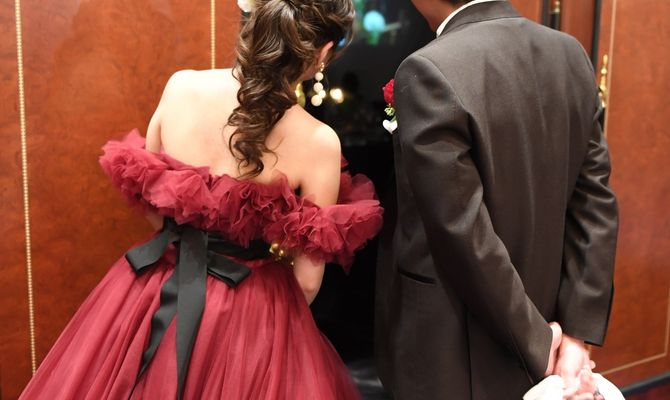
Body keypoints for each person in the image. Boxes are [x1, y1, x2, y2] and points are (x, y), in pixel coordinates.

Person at [20, 0, 384, 399]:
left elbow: (150, 199)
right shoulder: (318, 141)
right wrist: (270, 323)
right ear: (323, 51)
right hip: (252, 306)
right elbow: (308, 281)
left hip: (157, 286)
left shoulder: (181, 87)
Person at [375, 0, 618, 399]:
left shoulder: (429, 68)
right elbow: (595, 202)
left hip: (454, 346)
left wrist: (540, 343)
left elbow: (461, 231)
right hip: (552, 323)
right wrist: (576, 335)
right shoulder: (570, 53)